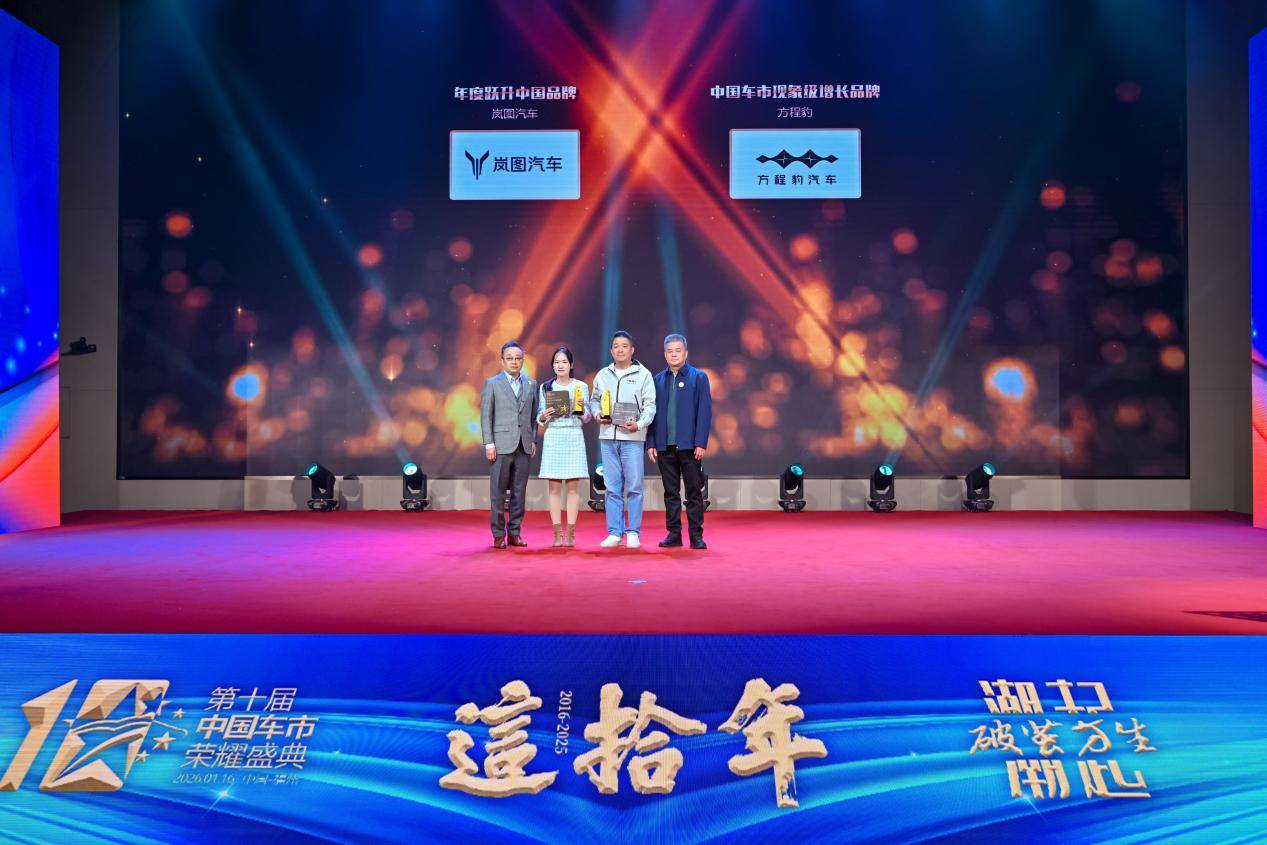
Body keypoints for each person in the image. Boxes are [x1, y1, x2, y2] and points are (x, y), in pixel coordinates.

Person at [589, 330, 656, 548]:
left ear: (632, 350)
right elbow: (594, 401)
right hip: (608, 438)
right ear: (611, 350)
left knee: (634, 486)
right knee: (612, 487)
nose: (620, 350)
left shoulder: (643, 375)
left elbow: (650, 407)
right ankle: (614, 532)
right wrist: (597, 414)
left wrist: (639, 424)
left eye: (624, 346)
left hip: (633, 438)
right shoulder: (602, 375)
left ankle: (633, 532)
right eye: (616, 346)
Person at [647, 333, 712, 549]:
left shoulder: (698, 377)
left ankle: (696, 536)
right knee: (670, 493)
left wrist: (700, 442)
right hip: (664, 445)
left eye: (678, 351)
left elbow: (704, 412)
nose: (674, 355)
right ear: (664, 354)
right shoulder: (657, 380)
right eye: (670, 351)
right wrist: (651, 442)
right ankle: (674, 534)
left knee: (694, 492)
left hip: (690, 447)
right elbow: (651, 414)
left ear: (685, 353)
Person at [480, 340, 538, 549]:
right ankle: (498, 535)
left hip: (524, 445)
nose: (514, 362)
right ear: (502, 361)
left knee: (519, 492)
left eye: (518, 358)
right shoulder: (492, 383)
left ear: (523, 360)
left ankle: (514, 532)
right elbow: (486, 416)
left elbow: (533, 416)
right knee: (498, 492)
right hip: (500, 445)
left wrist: (533, 439)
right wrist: (489, 443)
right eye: (510, 358)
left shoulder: (531, 384)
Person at [536, 346, 591, 548]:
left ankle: (571, 534)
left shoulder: (580, 386)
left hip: (573, 434)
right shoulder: (546, 387)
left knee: (573, 489)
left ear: (571, 365)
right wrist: (544, 415)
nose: (560, 365)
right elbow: (540, 417)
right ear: (553, 365)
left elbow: (588, 417)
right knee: (554, 489)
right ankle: (557, 534)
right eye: (557, 362)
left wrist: (580, 409)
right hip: (554, 435)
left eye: (564, 362)